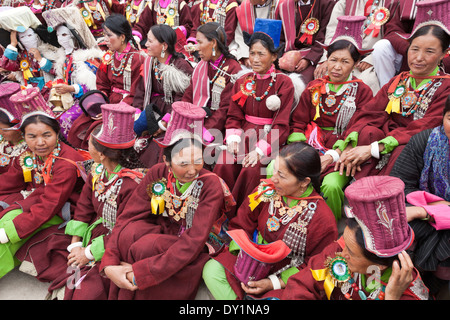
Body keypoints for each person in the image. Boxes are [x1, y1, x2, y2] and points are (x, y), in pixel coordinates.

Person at [99, 101, 235, 299]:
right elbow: (128, 216)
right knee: (129, 233)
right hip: (163, 231)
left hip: (195, 245)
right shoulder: (158, 172)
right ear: (166, 161)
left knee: (145, 247)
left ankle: (135, 281)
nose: (192, 170)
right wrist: (110, 261)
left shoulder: (210, 185)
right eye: (183, 163)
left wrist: (141, 273)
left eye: (198, 161)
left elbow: (194, 240)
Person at [17, 102, 147, 300]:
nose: (84, 148)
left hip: (118, 242)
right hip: (95, 230)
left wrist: (89, 252)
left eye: (89, 144)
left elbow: (126, 230)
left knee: (87, 286)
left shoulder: (133, 184)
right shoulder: (97, 170)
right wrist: (75, 244)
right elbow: (85, 207)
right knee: (45, 247)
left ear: (101, 154)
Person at [203, 142, 338, 300]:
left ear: (304, 182)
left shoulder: (322, 218)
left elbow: (316, 264)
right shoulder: (266, 191)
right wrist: (243, 259)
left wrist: (273, 283)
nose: (273, 179)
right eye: (274, 170)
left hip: (286, 271)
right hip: (249, 257)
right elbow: (242, 222)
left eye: (282, 175)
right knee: (211, 271)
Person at [335, 6, 450, 180]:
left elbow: (428, 125)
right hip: (385, 141)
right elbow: (370, 112)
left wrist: (377, 147)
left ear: (444, 54)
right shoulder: (398, 80)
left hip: (411, 145)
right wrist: (356, 139)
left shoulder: (446, 86)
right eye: (414, 49)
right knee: (367, 131)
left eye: (429, 52)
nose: (418, 57)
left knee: (403, 150)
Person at [282, 175, 430, 300]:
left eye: (351, 253)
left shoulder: (409, 295)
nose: (341, 254)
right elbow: (301, 284)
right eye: (345, 243)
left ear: (380, 266)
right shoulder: (347, 248)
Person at [289, 16, 374, 220]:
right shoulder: (314, 86)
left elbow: (359, 128)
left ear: (355, 64)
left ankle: (330, 229)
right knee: (277, 168)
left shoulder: (362, 91)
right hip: (310, 146)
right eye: (333, 60)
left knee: (332, 185)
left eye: (345, 61)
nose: (337, 67)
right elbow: (298, 123)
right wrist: (304, 150)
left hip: (342, 152)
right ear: (326, 60)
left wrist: (334, 155)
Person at [212, 19, 297, 218]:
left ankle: (241, 217)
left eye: (261, 54)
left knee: (252, 169)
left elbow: (281, 124)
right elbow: (234, 115)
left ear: (274, 56)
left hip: (268, 139)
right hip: (243, 136)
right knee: (224, 161)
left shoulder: (284, 83)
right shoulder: (242, 80)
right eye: (252, 53)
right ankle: (217, 212)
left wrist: (260, 152)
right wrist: (233, 140)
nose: (255, 59)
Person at [0, 87, 85, 279]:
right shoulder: (31, 154)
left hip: (63, 209)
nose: (40, 142)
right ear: (24, 137)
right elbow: (11, 180)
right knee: (4, 220)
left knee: (6, 237)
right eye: (32, 136)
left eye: (46, 135)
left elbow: (49, 205)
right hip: (37, 202)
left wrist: (13, 231)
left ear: (57, 134)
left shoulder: (66, 163)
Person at [390, 95, 450, 296]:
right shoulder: (423, 142)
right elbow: (399, 184)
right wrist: (425, 209)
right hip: (424, 211)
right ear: (443, 117)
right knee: (398, 224)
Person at [133, 24, 193, 168]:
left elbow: (182, 99)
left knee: (156, 149)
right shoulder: (150, 62)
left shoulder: (180, 66)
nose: (145, 44)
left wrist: (165, 121)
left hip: (172, 114)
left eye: (150, 41)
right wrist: (137, 113)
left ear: (164, 45)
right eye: (146, 40)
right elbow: (141, 91)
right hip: (152, 110)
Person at [42, 6, 103, 140]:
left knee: (64, 119)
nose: (60, 39)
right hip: (66, 97)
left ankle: (75, 149)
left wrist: (70, 88)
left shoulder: (87, 57)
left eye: (64, 34)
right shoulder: (63, 57)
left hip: (85, 99)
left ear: (73, 36)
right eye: (58, 35)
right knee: (46, 114)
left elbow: (94, 86)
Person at [314, 0, 401, 95]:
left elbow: (390, 36)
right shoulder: (344, 3)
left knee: (368, 81)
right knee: (322, 75)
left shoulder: (392, 3)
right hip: (341, 55)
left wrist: (371, 60)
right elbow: (331, 33)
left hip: (369, 59)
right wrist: (328, 58)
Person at [181, 22, 242, 135]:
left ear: (213, 43)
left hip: (218, 128)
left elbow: (225, 109)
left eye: (199, 42)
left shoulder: (233, 70)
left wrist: (204, 132)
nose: (196, 48)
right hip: (196, 120)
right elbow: (188, 97)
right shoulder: (201, 66)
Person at [372, 0, 450, 88]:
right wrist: (413, 49)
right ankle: (388, 89)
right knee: (381, 47)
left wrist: (437, 54)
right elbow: (392, 31)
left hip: (442, 55)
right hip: (407, 52)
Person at [0, 7, 61, 99]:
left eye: (30, 35)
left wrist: (40, 60)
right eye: (23, 37)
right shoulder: (22, 55)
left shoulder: (48, 49)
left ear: (36, 36)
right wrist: (13, 44)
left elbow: (58, 71)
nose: (28, 39)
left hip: (49, 91)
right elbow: (7, 65)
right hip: (28, 92)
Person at [276, 0, 336, 84]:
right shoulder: (284, 6)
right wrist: (281, 58)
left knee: (303, 83)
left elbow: (324, 36)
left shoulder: (326, 3)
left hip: (313, 54)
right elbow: (280, 38)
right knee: (276, 80)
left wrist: (308, 59)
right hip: (287, 54)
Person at [229, 0, 281, 67]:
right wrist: (246, 56)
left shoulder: (279, 5)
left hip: (275, 56)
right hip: (250, 54)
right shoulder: (244, 7)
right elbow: (240, 36)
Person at [0, 83, 28, 176]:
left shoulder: (28, 151)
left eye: (4, 129)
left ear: (19, 127)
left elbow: (15, 179)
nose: (1, 132)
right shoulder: (3, 145)